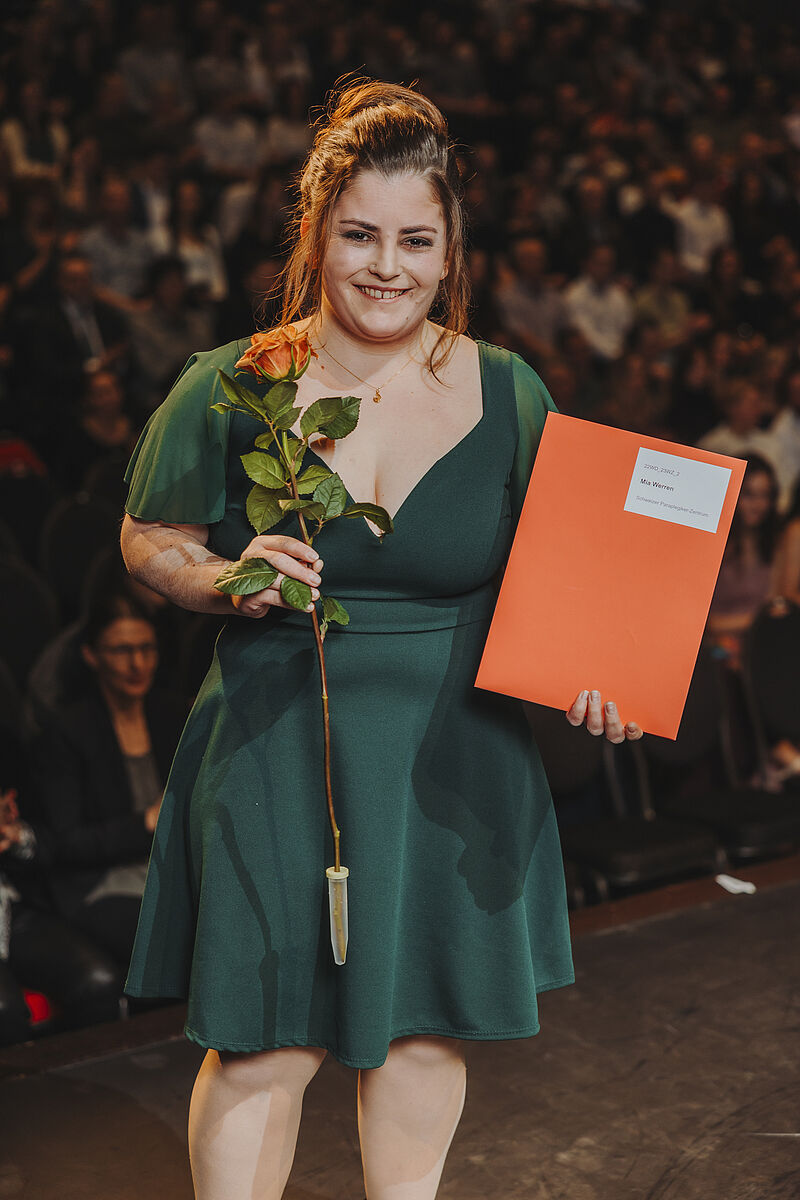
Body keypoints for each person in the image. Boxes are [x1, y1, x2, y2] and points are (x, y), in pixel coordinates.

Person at [119, 79, 642, 1200]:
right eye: (360, 235)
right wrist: (222, 576)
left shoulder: (509, 391)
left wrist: (600, 674)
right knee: (264, 1035)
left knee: (419, 1026)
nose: (386, 266)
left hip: (453, 751)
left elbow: (571, 575)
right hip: (276, 740)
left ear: (450, 252)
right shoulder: (232, 382)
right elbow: (148, 538)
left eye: (416, 240)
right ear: (317, 233)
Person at [32, 592, 187, 968]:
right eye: (121, 651)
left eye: (146, 648)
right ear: (92, 655)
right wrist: (146, 823)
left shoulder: (172, 713)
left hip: (171, 873)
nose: (137, 663)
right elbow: (65, 844)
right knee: (172, 940)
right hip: (102, 884)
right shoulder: (68, 732)